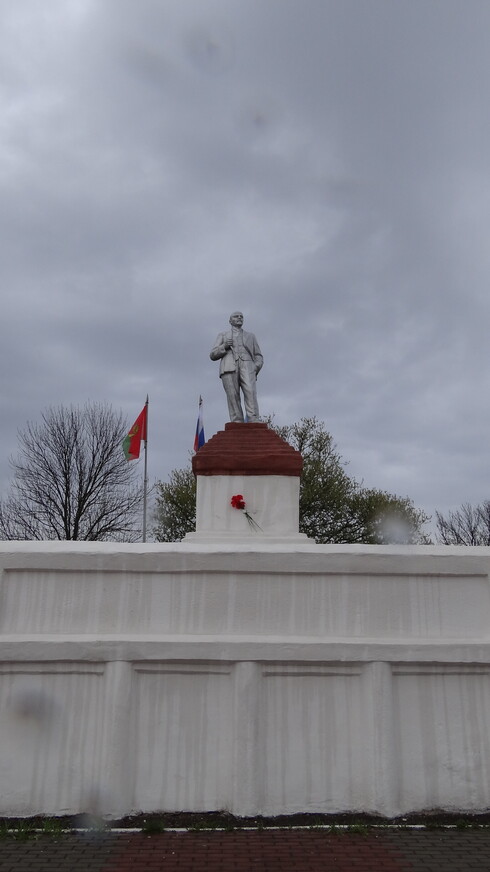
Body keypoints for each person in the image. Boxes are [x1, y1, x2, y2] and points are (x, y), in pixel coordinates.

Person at [210, 312, 263, 423]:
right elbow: (213, 355)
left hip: (248, 366)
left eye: (241, 316)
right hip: (229, 366)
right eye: (236, 316)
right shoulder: (223, 335)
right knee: (232, 395)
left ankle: (253, 418)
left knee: (250, 392)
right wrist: (224, 346)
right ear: (230, 321)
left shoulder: (251, 336)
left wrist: (255, 367)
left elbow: (258, 355)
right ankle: (237, 420)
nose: (239, 318)